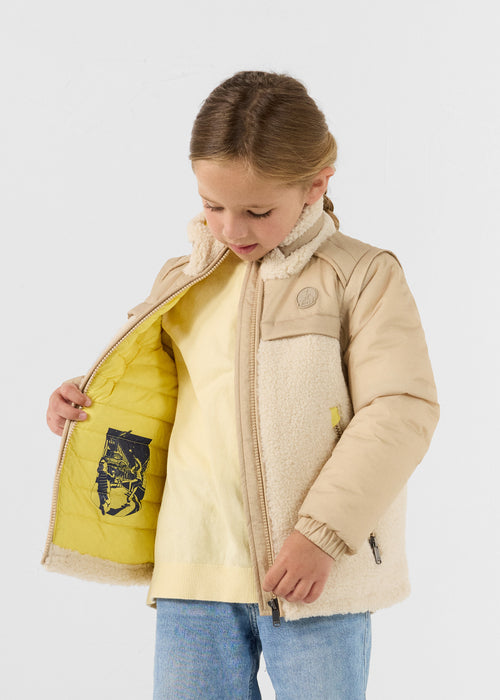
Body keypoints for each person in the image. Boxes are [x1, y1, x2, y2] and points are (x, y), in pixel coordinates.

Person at [44, 71, 439, 699]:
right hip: (191, 570)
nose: (232, 229)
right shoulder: (183, 279)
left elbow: (400, 410)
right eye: (213, 206)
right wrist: (82, 395)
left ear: (316, 185)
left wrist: (321, 534)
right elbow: (153, 390)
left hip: (310, 575)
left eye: (258, 211)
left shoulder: (361, 276)